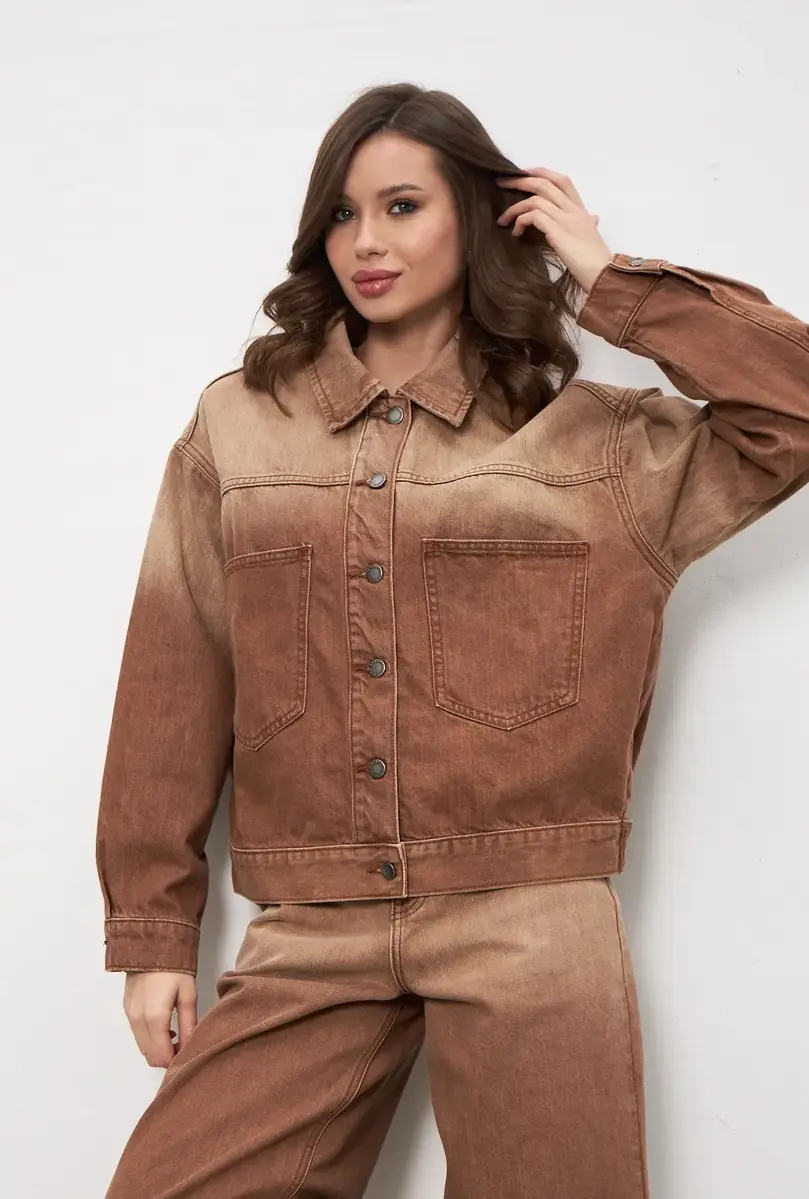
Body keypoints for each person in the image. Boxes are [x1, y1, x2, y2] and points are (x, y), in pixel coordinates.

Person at [95, 80, 809, 1198]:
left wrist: (608, 280)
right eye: (341, 213)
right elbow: (175, 665)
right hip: (314, 920)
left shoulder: (597, 442)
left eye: (401, 206)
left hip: (531, 915)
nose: (365, 242)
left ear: (475, 217)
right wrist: (151, 930)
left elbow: (793, 406)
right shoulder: (238, 424)